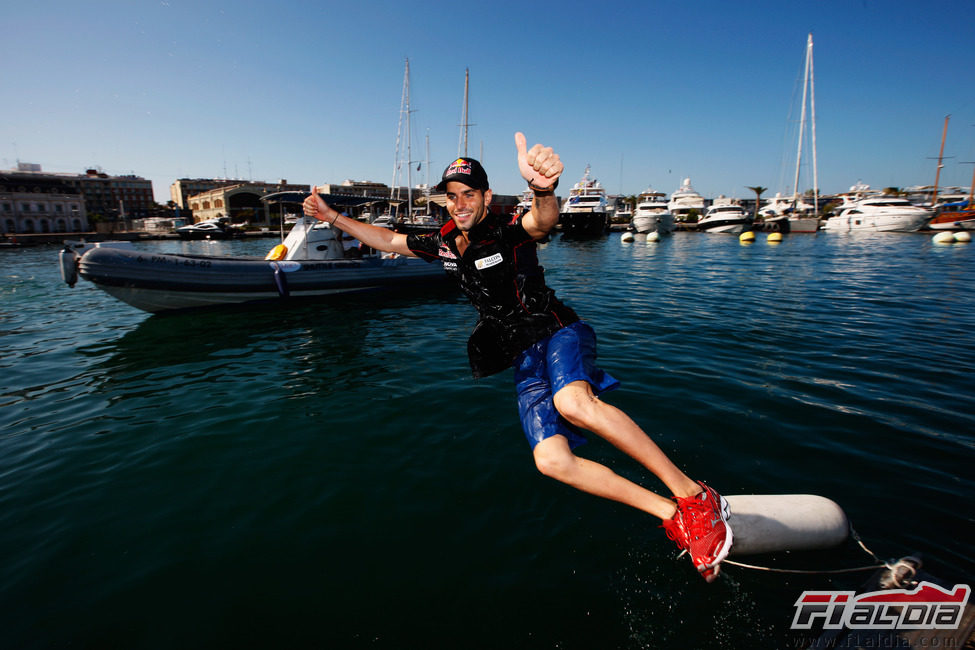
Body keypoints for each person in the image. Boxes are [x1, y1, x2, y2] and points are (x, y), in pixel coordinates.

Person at [303, 133, 733, 581]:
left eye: (469, 194)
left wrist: (544, 190)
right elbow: (390, 239)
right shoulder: (447, 241)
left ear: (486, 196)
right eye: (451, 196)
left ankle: (696, 497)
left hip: (558, 331)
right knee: (551, 461)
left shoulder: (507, 227)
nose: (460, 203)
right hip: (523, 357)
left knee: (573, 403)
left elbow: (541, 222)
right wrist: (334, 216)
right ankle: (672, 516)